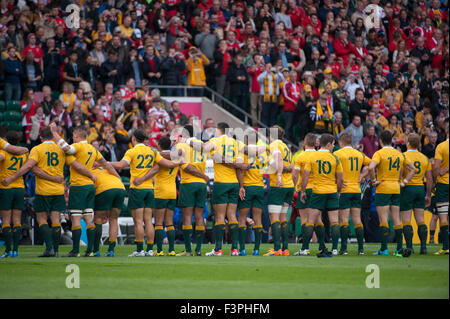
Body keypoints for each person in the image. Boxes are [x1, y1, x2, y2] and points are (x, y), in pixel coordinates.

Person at [49, 124, 119, 257]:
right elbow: (105, 163)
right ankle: (90, 250)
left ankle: (75, 251)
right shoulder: (93, 149)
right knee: (88, 218)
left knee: (75, 217)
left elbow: (66, 148)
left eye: (73, 137)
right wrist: (117, 176)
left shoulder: (79, 146)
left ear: (76, 136)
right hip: (90, 187)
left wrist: (54, 133)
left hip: (78, 186)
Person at [0, 127, 72, 257]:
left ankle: (47, 248)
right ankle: (55, 251)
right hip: (57, 190)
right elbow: (73, 163)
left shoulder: (37, 149)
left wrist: (11, 178)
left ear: (41, 137)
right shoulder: (60, 149)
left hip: (42, 190)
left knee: (41, 219)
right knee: (56, 220)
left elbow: (29, 167)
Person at [110, 129, 181, 257]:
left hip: (138, 189)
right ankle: (149, 249)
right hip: (150, 189)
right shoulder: (152, 151)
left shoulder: (132, 151)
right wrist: (180, 160)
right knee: (148, 220)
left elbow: (121, 165)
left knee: (138, 221)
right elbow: (168, 164)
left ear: (133, 139)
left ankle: (139, 250)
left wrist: (105, 163)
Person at [191, 122, 245, 256]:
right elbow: (239, 167)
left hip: (221, 183)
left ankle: (218, 249)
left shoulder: (216, 140)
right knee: (232, 215)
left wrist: (190, 141)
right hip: (234, 183)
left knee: (220, 216)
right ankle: (234, 249)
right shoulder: (236, 143)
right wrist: (241, 186)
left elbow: (203, 148)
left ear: (218, 130)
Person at [368, 130, 417, 257]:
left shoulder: (379, 153)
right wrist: (404, 182)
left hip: (383, 187)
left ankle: (384, 249)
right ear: (392, 140)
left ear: (380, 141)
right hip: (396, 187)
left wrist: (374, 181)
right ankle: (399, 249)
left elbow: (371, 167)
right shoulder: (399, 154)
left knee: (383, 219)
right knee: (396, 219)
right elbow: (413, 169)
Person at [300, 133, 344, 257]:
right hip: (332, 191)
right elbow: (340, 179)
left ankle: (305, 248)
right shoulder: (334, 158)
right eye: (333, 144)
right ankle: (335, 249)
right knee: (334, 221)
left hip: (318, 191)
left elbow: (305, 176)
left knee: (310, 221)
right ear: (329, 144)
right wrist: (338, 191)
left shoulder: (313, 156)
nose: (333, 147)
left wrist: (303, 191)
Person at [173, 125, 210, 256]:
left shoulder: (181, 146)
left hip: (188, 183)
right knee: (200, 217)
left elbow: (186, 167)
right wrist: (204, 177)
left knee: (187, 217)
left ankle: (188, 250)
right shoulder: (202, 145)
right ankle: (198, 249)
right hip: (201, 185)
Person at [334, 133, 371, 255]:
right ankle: (361, 249)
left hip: (344, 190)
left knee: (344, 219)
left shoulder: (338, 154)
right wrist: (362, 175)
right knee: (357, 219)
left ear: (341, 142)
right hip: (356, 190)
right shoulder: (359, 154)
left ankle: (344, 249)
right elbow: (372, 164)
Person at [399, 133, 433, 255]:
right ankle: (423, 247)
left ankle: (410, 247)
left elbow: (401, 173)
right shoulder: (425, 158)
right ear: (418, 144)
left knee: (406, 220)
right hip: (420, 188)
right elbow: (429, 178)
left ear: (408, 143)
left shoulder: (403, 156)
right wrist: (428, 194)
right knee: (421, 220)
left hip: (407, 189)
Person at [264, 126, 294, 256]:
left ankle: (277, 249)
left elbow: (277, 162)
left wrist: (269, 161)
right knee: (283, 217)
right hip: (289, 185)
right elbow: (291, 166)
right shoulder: (286, 146)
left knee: (274, 217)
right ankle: (285, 249)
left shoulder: (274, 144)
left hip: (278, 185)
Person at [237, 129, 267, 256]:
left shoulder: (243, 151)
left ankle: (242, 249)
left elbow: (239, 169)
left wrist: (241, 186)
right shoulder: (262, 152)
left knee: (242, 218)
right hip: (260, 187)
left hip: (248, 187)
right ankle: (256, 249)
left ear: (247, 140)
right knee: (258, 219)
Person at [0, 132, 28, 258]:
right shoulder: (23, 154)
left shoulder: (3, 153)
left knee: (6, 221)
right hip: (19, 188)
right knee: (17, 220)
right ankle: (15, 251)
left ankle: (7, 250)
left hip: (5, 188)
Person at [91, 167, 126, 257]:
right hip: (121, 188)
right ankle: (111, 250)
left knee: (98, 218)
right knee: (114, 219)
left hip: (105, 189)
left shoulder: (88, 171)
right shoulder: (106, 168)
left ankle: (96, 250)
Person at [291, 133, 317, 256]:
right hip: (318, 189)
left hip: (304, 189)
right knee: (317, 220)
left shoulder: (300, 156)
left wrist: (294, 188)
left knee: (304, 220)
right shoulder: (319, 155)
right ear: (315, 143)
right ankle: (319, 246)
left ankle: (305, 248)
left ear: (305, 143)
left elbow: (295, 174)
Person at [432, 120, 449, 255]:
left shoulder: (441, 147)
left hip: (443, 185)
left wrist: (444, 170)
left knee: (442, 217)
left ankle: (445, 247)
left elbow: (436, 168)